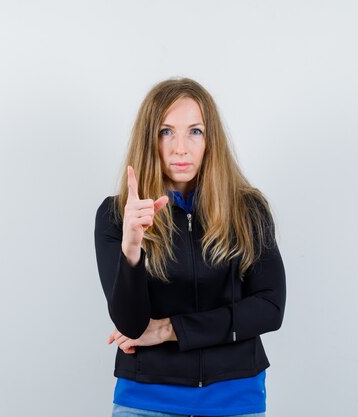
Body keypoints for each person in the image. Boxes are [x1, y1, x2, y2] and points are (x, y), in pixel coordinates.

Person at [93, 77, 286, 417]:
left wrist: (171, 329)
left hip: (236, 397)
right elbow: (132, 326)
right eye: (166, 131)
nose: (180, 147)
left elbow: (269, 308)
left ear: (211, 139)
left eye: (194, 131)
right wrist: (132, 250)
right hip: (146, 401)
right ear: (149, 139)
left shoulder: (248, 209)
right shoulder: (116, 216)